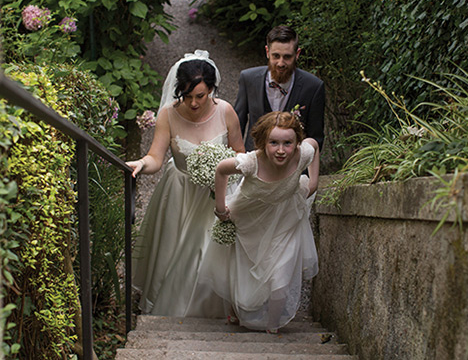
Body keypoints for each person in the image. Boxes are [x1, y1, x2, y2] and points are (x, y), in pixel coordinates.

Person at [126, 50, 245, 317]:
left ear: (211, 89)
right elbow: (156, 157)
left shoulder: (226, 111)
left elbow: (240, 153)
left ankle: (211, 308)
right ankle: (175, 307)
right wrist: (141, 165)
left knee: (208, 252)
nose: (193, 103)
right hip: (180, 192)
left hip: (217, 193)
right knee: (176, 255)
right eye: (187, 96)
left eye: (200, 96)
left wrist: (223, 164)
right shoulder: (169, 114)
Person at [201, 111, 320, 333]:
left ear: (296, 143)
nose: (281, 150)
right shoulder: (250, 163)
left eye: (288, 143)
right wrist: (220, 208)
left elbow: (314, 145)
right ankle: (235, 312)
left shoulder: (302, 154)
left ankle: (273, 325)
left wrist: (312, 183)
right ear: (263, 142)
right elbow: (221, 170)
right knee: (240, 270)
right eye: (273, 143)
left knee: (280, 279)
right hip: (248, 219)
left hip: (285, 220)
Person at [234, 25, 325, 151]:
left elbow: (316, 138)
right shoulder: (248, 79)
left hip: (293, 165)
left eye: (287, 57)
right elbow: (237, 126)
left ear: (297, 54)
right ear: (267, 52)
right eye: (276, 56)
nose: (281, 63)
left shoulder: (313, 87)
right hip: (254, 161)